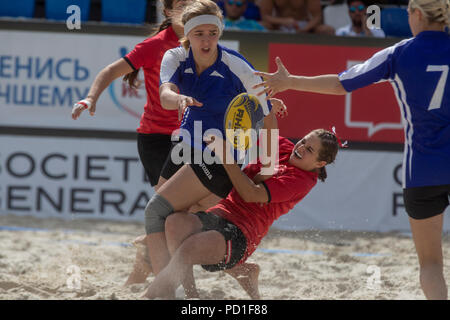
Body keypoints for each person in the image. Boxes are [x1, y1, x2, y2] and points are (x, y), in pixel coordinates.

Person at [254, 0, 450, 299]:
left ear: (417, 14)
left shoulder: (400, 52)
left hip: (423, 169)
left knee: (431, 265)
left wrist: (289, 81)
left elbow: (340, 85)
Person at [142, 0, 282, 295]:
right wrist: (177, 99)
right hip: (184, 147)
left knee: (156, 214)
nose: (206, 41)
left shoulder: (237, 66)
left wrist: (269, 164)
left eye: (212, 33)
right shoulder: (175, 57)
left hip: (220, 157)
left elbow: (267, 113)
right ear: (187, 34)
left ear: (220, 33)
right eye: (199, 34)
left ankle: (162, 291)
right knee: (175, 224)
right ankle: (195, 291)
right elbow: (165, 92)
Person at [70, 0, 196, 286]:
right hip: (158, 138)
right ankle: (164, 281)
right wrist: (90, 98)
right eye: (181, 4)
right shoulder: (156, 44)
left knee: (187, 212)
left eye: (192, 2)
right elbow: (109, 72)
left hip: (193, 134)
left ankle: (142, 264)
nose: (187, 7)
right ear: (167, 11)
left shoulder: (205, 38)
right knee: (174, 212)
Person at [143, 129, 340, 299]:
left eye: (309, 149)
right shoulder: (286, 148)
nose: (301, 147)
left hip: (242, 233)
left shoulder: (302, 181)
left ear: (320, 163)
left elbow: (250, 193)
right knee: (173, 223)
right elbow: (262, 128)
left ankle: (150, 296)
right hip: (220, 213)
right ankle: (193, 295)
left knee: (187, 249)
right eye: (304, 141)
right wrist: (268, 104)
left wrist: (225, 157)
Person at [257, 0, 335, 34]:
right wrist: (282, 21)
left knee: (327, 30)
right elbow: (265, 16)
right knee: (261, 26)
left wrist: (305, 28)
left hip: (303, 25)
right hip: (279, 25)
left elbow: (317, 16)